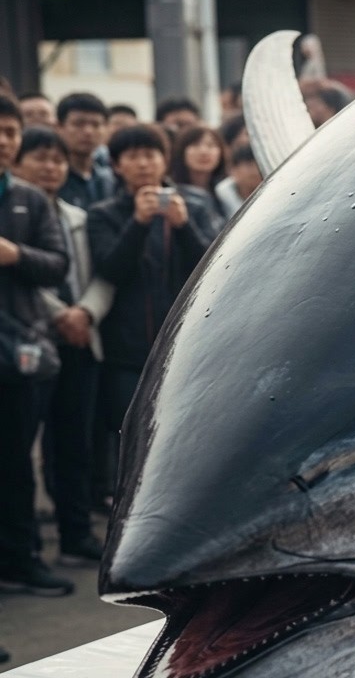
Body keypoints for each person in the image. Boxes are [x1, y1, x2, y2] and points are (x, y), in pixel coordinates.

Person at [87, 125, 214, 498]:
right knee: (129, 438)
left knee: (183, 435)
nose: (143, 164)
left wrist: (185, 225)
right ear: (117, 165)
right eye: (133, 156)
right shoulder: (104, 214)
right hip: (126, 350)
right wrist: (138, 225)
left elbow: (214, 264)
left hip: (185, 347)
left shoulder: (193, 204)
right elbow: (110, 269)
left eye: (151, 155)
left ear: (164, 159)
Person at [11, 127, 113, 564]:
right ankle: (27, 543)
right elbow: (23, 281)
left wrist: (85, 313)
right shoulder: (14, 211)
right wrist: (60, 315)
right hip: (33, 340)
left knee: (77, 442)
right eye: (40, 158)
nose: (50, 167)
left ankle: (77, 533)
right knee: (25, 449)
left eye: (56, 160)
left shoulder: (78, 214)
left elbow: (99, 272)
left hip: (81, 338)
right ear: (17, 163)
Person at [0, 94, 75, 596]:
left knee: (16, 465)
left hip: (19, 352)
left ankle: (20, 560)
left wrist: (14, 254)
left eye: (9, 132)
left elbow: (57, 263)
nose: (4, 141)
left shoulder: (30, 198)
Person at [55, 93, 116, 210]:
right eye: (78, 124)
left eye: (96, 125)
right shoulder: (51, 177)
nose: (88, 131)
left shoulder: (110, 181)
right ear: (59, 127)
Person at [169, 125, 229, 232]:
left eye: (211, 145)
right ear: (181, 151)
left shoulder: (226, 192)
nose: (204, 151)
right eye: (195, 145)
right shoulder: (173, 193)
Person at [214, 143, 262, 218]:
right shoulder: (219, 198)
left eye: (259, 164)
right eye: (249, 165)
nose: (256, 171)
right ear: (233, 169)